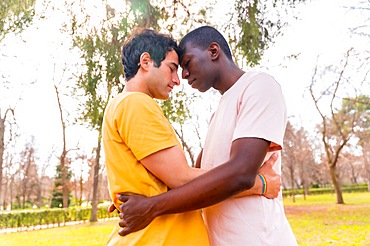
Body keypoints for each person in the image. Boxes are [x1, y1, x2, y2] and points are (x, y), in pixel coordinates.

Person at [116, 26, 297, 246]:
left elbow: (240, 173)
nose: (182, 76)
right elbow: (193, 181)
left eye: (187, 63)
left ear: (213, 51)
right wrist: (136, 190)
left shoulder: (258, 86)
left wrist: (151, 206)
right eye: (176, 68)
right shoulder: (217, 114)